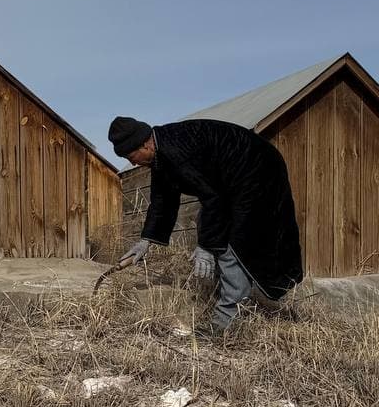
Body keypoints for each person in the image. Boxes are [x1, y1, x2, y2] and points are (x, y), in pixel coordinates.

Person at [109, 116, 303, 335]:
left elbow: (215, 198)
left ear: (145, 143)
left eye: (130, 156)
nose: (132, 162)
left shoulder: (179, 149)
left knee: (231, 242)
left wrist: (207, 247)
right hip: (231, 185)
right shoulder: (161, 154)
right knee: (210, 227)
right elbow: (163, 200)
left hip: (258, 171)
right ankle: (228, 297)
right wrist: (146, 240)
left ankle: (226, 324)